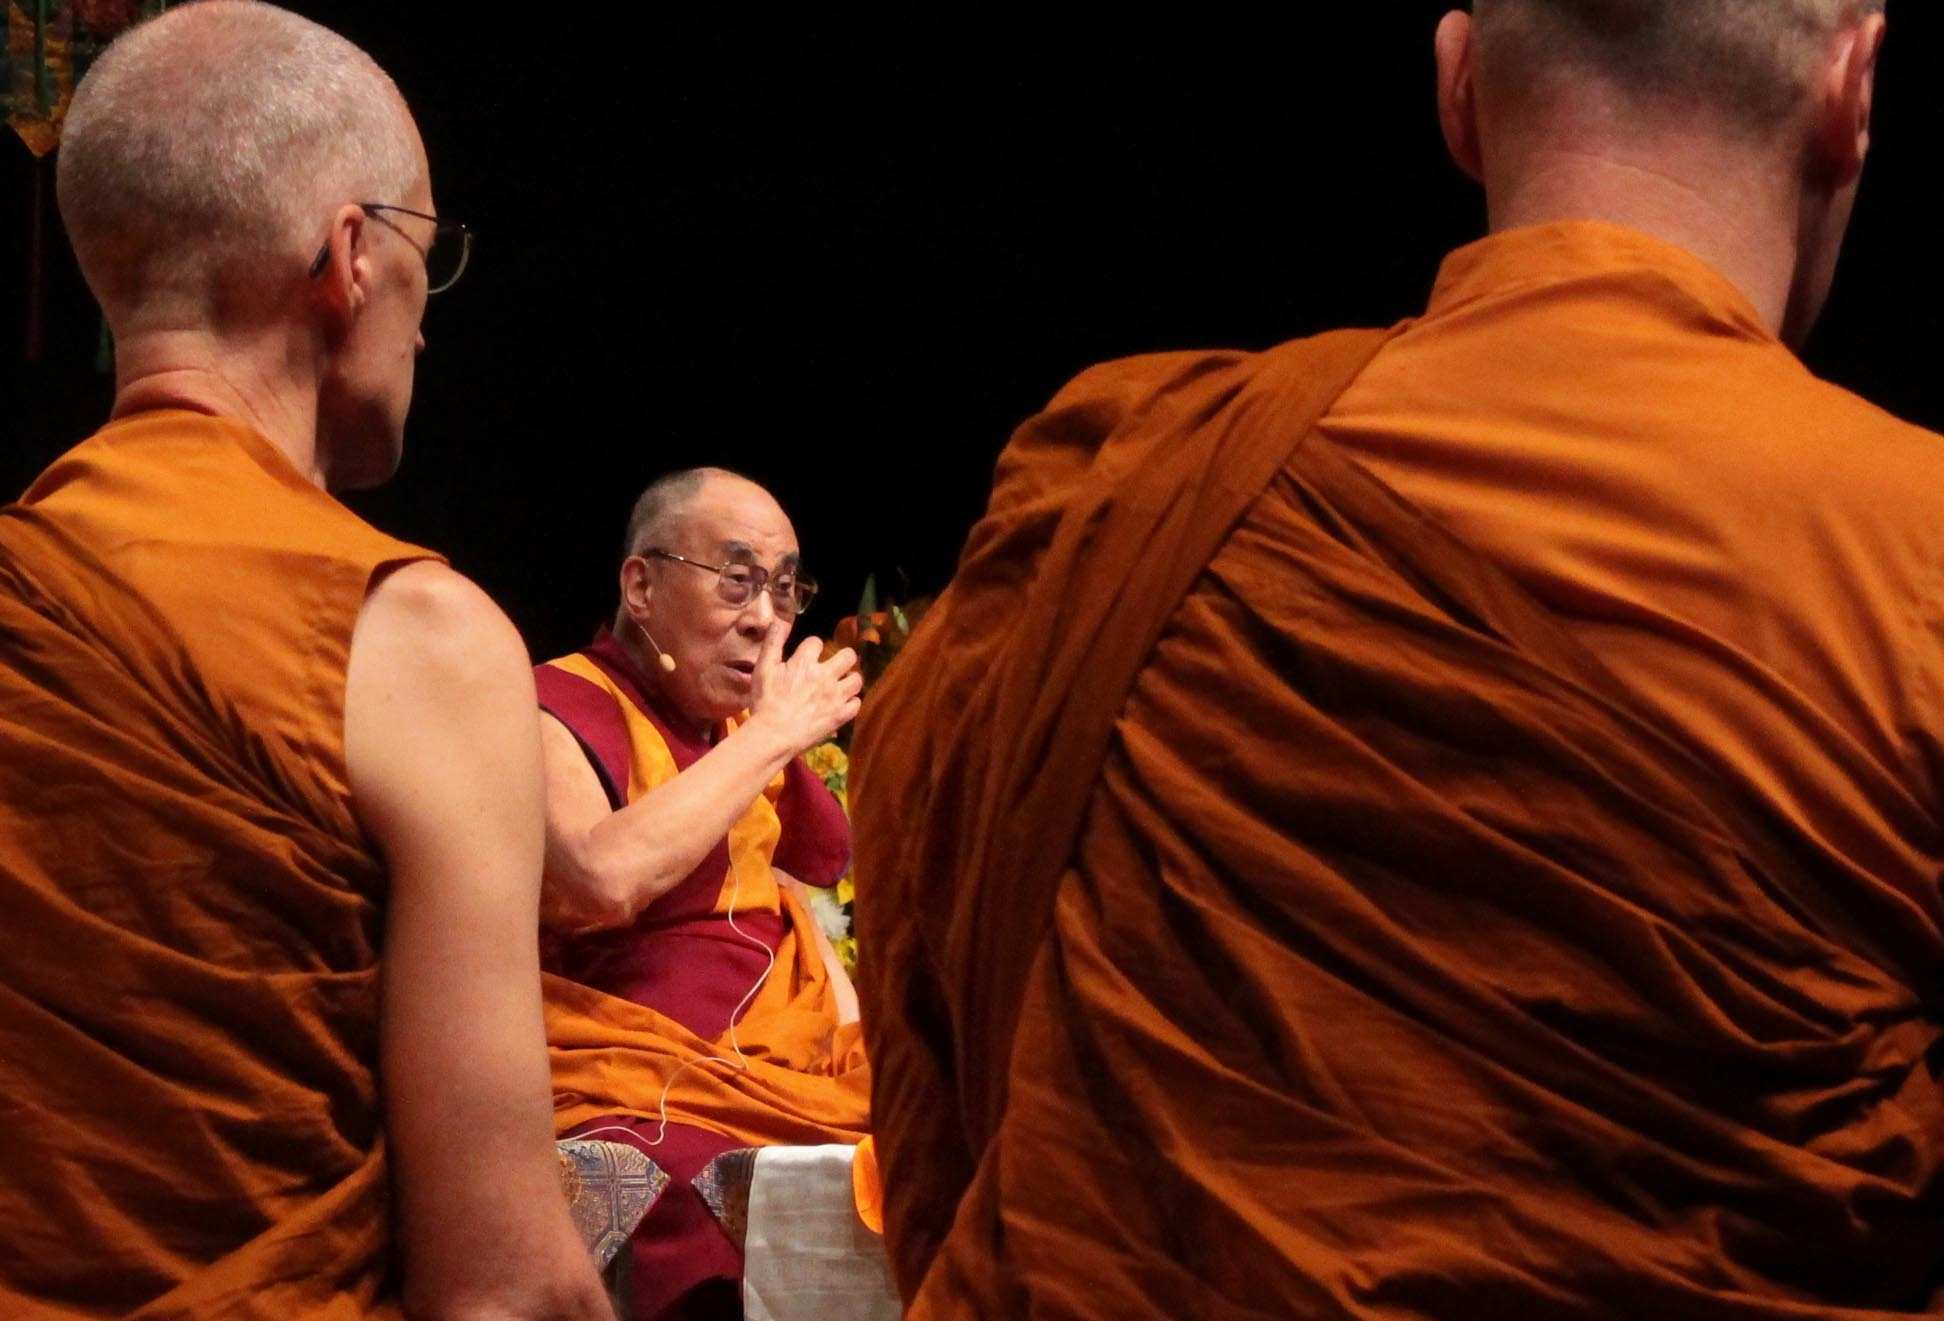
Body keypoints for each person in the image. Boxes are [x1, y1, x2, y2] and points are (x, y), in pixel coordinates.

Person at [852, 1, 1944, 1316]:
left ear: (1458, 85)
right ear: (1854, 81)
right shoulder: (1914, 548)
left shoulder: (1131, 490)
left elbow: (942, 1073)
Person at [0, 4, 609, 1316]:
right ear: (349, 253)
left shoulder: (31, 592)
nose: (429, 324)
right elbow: (502, 1289)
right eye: (426, 257)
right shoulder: (413, 638)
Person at [535, 467, 869, 1319]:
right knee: (683, 1190)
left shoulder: (731, 733)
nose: (766, 616)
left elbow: (827, 855)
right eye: (737, 580)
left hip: (777, 1066)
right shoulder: (551, 701)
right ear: (641, 585)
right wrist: (773, 734)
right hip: (636, 1070)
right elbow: (600, 880)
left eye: (785, 589)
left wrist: (769, 742)